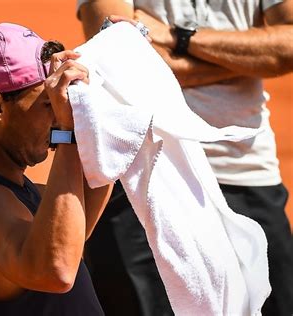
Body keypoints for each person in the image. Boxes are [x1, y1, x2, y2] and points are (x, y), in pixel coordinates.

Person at [77, 1, 293, 315]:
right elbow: (121, 62)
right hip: (142, 181)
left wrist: (180, 38)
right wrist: (247, 60)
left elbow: (286, 48)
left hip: (246, 172)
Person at [0, 22, 112, 315]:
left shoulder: (8, 192)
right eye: (47, 104)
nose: (56, 117)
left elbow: (76, 223)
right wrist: (68, 133)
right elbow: (57, 269)